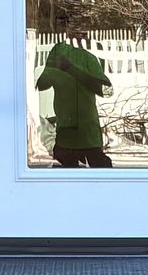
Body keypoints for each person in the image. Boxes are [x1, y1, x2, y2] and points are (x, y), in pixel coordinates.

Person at [34, 25, 114, 168]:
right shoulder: (57, 54)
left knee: (98, 171)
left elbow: (106, 90)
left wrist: (71, 69)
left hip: (86, 132)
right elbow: (41, 85)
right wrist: (52, 70)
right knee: (68, 173)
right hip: (67, 132)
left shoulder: (88, 59)